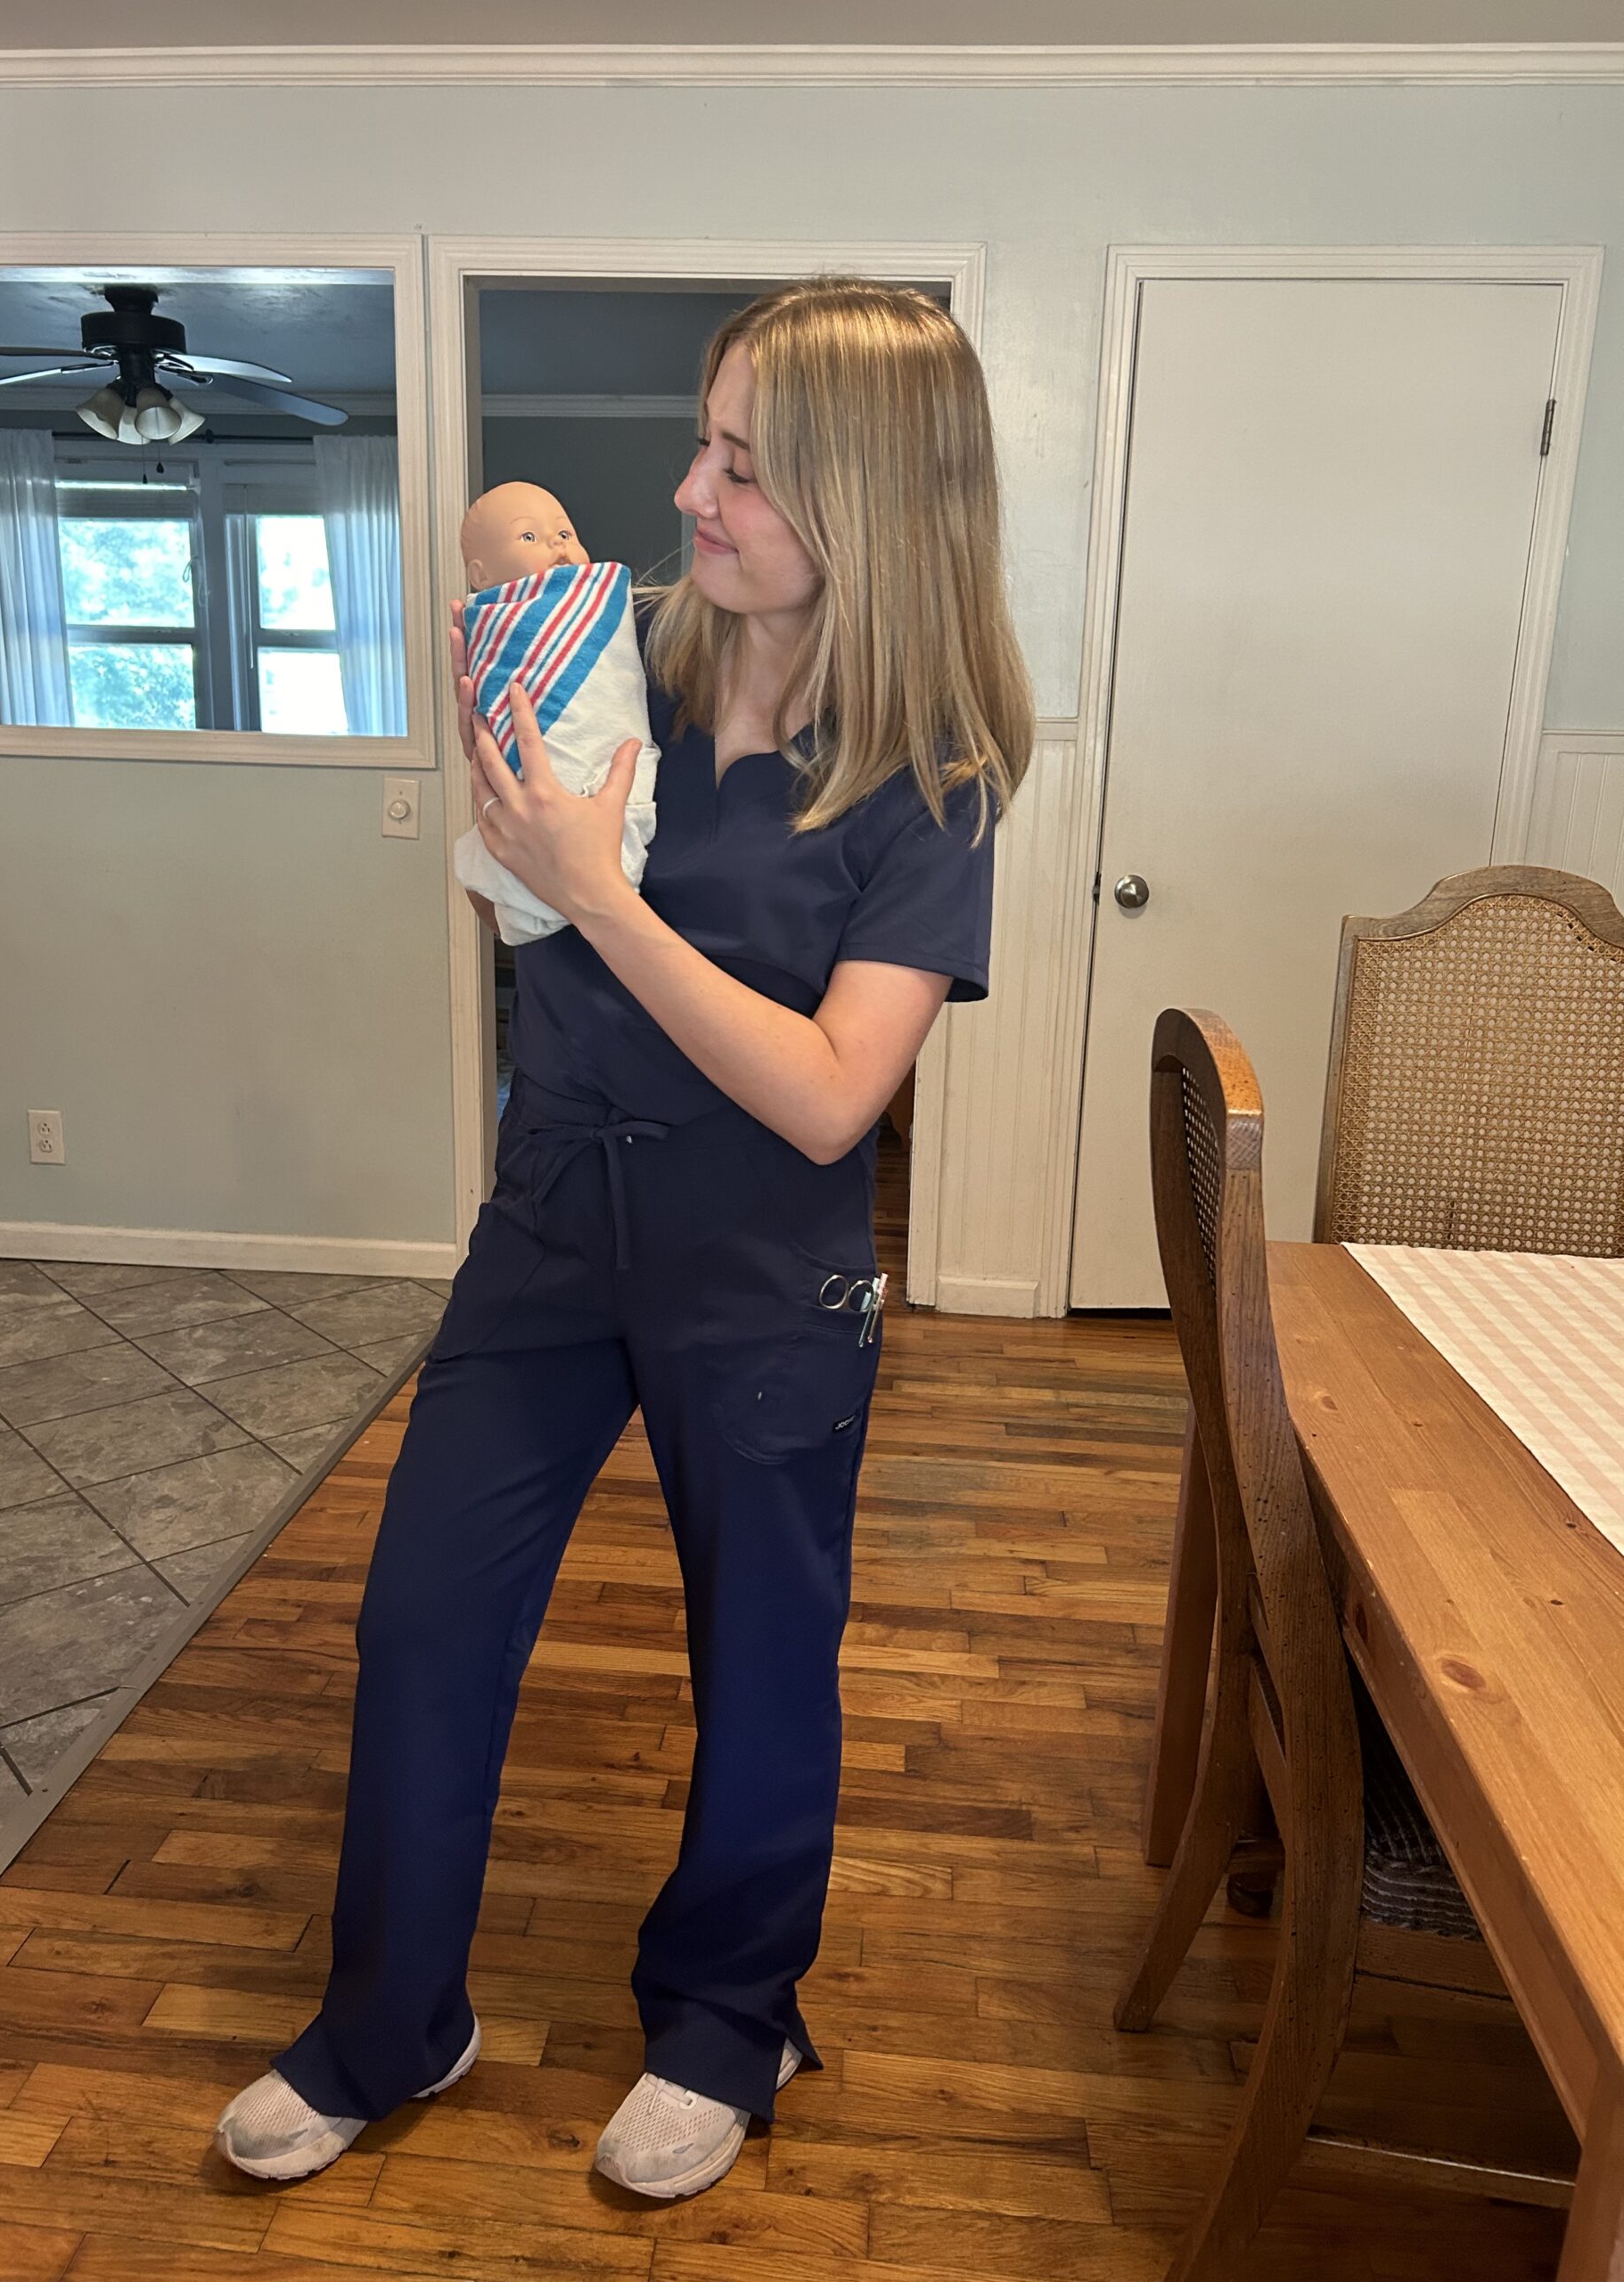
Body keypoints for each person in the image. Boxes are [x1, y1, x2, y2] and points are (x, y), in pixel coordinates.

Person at [216, 276, 1034, 2200]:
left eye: (742, 461)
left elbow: (840, 1090)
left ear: (872, 498)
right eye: (701, 438)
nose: (688, 488)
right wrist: (499, 685)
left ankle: (726, 2021)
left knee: (766, 1646)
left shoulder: (939, 774)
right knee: (422, 1611)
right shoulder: (623, 655)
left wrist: (602, 886)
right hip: (550, 1231)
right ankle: (393, 2015)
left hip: (765, 1267)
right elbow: (505, 729)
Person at [450, 480, 660, 948]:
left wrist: (590, 889)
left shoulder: (611, 614)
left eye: (565, 533)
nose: (556, 545)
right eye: (529, 537)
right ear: (481, 576)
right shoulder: (640, 624)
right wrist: (493, 763)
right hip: (550, 1011)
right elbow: (489, 914)